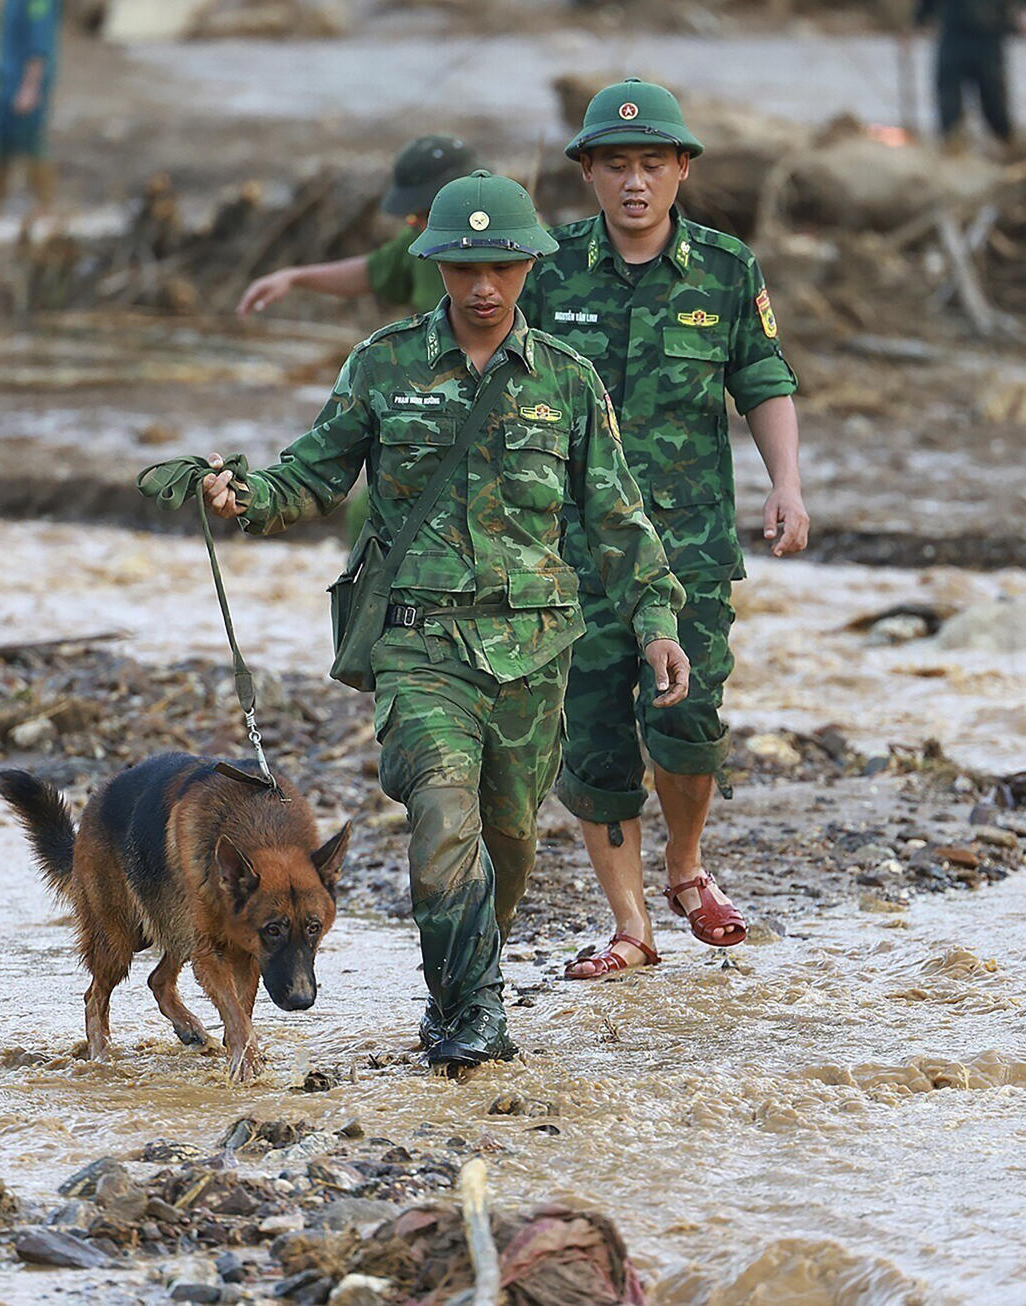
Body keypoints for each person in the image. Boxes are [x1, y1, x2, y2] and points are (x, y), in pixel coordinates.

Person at [193, 171, 689, 1071]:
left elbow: (618, 517)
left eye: (501, 265)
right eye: (464, 266)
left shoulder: (569, 383)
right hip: (421, 645)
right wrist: (245, 497)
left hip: (535, 654)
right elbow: (310, 472)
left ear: (530, 265)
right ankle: (471, 1019)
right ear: (437, 266)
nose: (484, 286)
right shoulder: (383, 365)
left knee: (506, 839)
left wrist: (657, 619)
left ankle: (460, 987)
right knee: (443, 819)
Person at [517, 78, 809, 980]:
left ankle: (685, 868)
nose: (634, 182)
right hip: (574, 551)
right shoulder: (548, 269)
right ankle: (632, 927)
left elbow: (761, 381)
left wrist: (787, 486)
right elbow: (492, 383)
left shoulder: (725, 270)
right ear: (589, 175)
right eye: (615, 165)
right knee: (596, 737)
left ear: (681, 169)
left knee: (688, 727)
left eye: (651, 164)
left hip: (687, 549)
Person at [237, 134, 480, 319]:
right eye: (412, 218)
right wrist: (294, 277)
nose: (419, 226)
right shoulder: (420, 242)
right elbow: (372, 272)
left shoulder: (510, 249)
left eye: (427, 214)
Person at [915, 0, 1026, 146]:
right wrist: (917, 20)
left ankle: (1005, 142)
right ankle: (951, 144)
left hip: (989, 37)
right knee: (949, 101)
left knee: (994, 99)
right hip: (953, 35)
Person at [0, 0, 59, 215]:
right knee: (1, 143)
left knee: (31, 143)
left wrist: (31, 87)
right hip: (9, 81)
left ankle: (45, 205)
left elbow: (39, 45)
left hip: (25, 86)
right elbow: (13, 37)